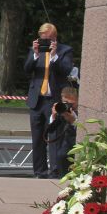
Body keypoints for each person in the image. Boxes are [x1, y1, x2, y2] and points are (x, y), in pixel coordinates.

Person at [24, 23, 74, 178]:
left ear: (55, 37)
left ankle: (55, 171)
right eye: (42, 39)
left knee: (54, 137)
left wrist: (53, 56)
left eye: (48, 39)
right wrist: (35, 54)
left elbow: (66, 70)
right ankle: (40, 171)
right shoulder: (35, 50)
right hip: (37, 101)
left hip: (54, 101)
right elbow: (26, 69)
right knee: (37, 138)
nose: (45, 42)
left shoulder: (65, 51)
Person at [46, 86, 78, 179]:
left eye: (71, 104)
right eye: (65, 103)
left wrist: (73, 121)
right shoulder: (61, 111)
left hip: (74, 151)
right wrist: (53, 116)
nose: (68, 106)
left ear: (78, 101)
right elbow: (50, 131)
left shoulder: (82, 113)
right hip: (61, 153)